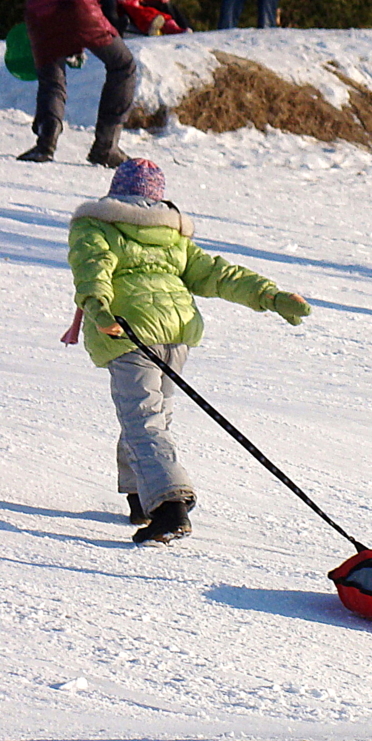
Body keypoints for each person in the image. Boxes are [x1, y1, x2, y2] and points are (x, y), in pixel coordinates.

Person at [68, 158, 312, 544]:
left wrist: (98, 306)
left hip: (128, 330)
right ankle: (140, 495)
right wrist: (271, 296)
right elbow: (219, 274)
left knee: (143, 418)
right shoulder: (173, 236)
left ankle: (169, 507)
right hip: (177, 335)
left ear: (116, 192)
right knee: (151, 415)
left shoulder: (97, 224)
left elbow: (92, 268)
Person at [18, 0, 138, 167]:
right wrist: (112, 16)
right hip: (79, 9)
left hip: (39, 16)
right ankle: (106, 147)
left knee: (51, 81)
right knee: (123, 65)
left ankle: (45, 143)